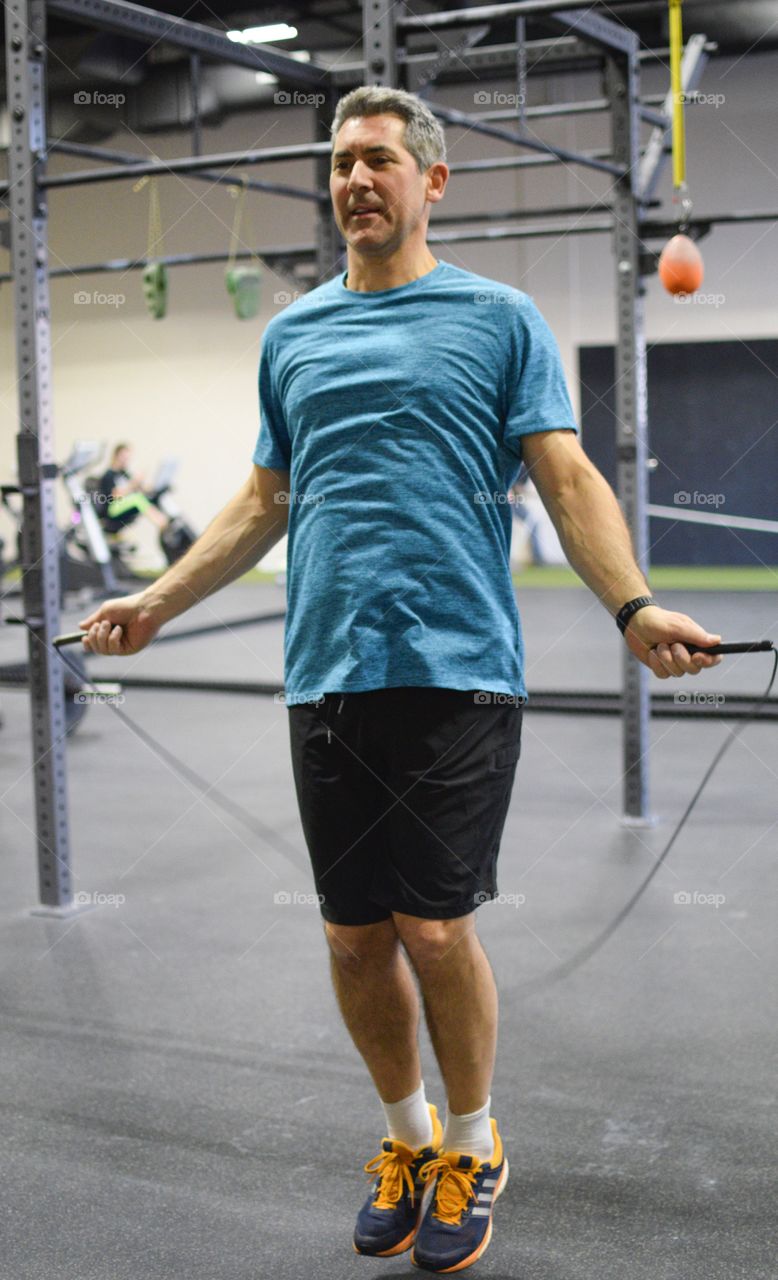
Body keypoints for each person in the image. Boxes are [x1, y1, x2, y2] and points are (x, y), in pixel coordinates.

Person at [79, 86, 724, 1274]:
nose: (354, 182)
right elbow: (264, 501)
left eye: (377, 160)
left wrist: (631, 605)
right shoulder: (295, 334)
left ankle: (474, 1145)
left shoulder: (499, 318)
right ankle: (407, 1135)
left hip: (458, 669)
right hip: (326, 672)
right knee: (351, 936)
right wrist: (157, 601)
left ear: (433, 181)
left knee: (433, 925)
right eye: (339, 164)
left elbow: (568, 478)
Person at [96, 443, 171, 535]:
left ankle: (168, 521)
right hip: (112, 509)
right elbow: (115, 496)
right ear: (116, 456)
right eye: (123, 457)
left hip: (125, 503)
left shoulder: (124, 473)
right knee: (137, 498)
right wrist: (133, 484)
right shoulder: (109, 475)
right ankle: (162, 523)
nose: (126, 460)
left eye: (128, 458)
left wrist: (156, 486)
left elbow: (142, 488)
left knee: (144, 497)